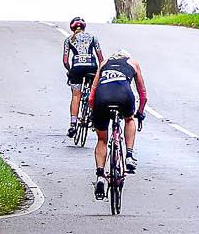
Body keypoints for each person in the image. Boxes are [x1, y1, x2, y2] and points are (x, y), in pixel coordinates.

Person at [87, 48, 147, 196]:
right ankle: (129, 155)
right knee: (129, 119)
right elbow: (143, 93)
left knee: (102, 139)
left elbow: (92, 95)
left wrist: (93, 113)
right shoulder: (133, 63)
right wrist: (140, 112)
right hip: (124, 97)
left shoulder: (104, 63)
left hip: (102, 97)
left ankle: (100, 175)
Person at [61, 16, 103, 134]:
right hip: (92, 67)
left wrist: (70, 70)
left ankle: (73, 123)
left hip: (76, 68)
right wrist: (100, 71)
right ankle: (94, 118)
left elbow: (65, 61)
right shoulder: (93, 38)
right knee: (93, 94)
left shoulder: (69, 40)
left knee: (76, 95)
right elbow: (101, 58)